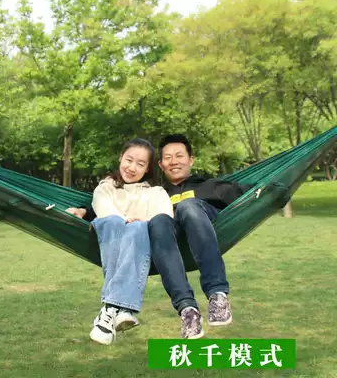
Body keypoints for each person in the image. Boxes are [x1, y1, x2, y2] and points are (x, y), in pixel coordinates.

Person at [68, 134, 253, 339]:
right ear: (160, 165)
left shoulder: (211, 187)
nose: (174, 161)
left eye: (179, 156)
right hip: (167, 241)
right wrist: (84, 210)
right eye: (168, 157)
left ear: (190, 160)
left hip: (201, 230)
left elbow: (252, 193)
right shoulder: (157, 193)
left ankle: (217, 295)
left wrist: (272, 190)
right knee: (158, 220)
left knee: (188, 206)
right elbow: (119, 204)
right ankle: (187, 309)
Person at [81, 138, 173, 346]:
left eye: (140, 164)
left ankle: (109, 311)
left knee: (139, 228)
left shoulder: (156, 193)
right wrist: (125, 219)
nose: (132, 168)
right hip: (110, 238)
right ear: (120, 157)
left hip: (140, 248)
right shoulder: (105, 189)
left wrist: (138, 222)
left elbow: (164, 219)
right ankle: (123, 308)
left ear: (147, 168)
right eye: (129, 160)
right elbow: (104, 212)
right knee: (114, 222)